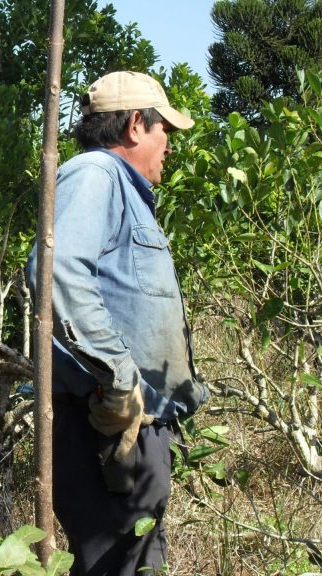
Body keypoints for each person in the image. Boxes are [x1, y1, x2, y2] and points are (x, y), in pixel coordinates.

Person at [27, 71, 209, 575]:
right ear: (135, 125)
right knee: (118, 565)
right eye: (164, 130)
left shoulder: (123, 190)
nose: (168, 145)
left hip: (126, 422)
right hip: (105, 423)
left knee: (133, 560)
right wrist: (120, 379)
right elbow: (57, 269)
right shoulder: (96, 175)